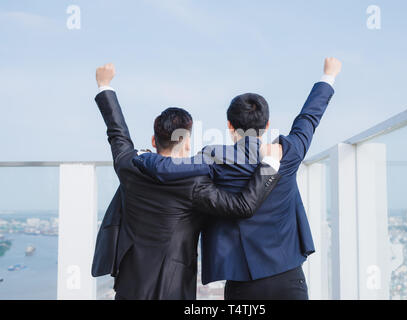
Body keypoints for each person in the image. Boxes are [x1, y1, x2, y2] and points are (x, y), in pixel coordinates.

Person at [133, 57, 342, 299]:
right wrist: (328, 76)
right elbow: (309, 117)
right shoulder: (289, 151)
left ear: (230, 126)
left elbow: (167, 168)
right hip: (289, 276)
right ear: (268, 124)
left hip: (242, 282)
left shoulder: (214, 158)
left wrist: (141, 156)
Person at [92, 63, 283, 300]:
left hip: (130, 283)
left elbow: (117, 131)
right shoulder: (196, 182)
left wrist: (104, 85)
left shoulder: (129, 165)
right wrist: (270, 166)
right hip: (174, 286)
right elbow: (242, 206)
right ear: (187, 143)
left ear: (153, 139)